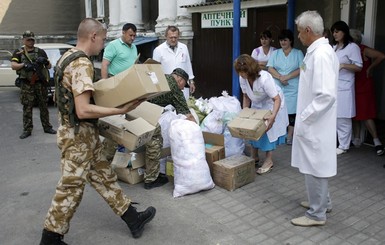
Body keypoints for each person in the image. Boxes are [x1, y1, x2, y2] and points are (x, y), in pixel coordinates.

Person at [39, 18, 155, 245]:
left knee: (105, 177)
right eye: (102, 40)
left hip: (77, 133)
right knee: (70, 188)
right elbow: (83, 110)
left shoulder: (65, 57)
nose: (103, 45)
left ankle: (133, 218)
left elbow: (66, 100)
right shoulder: (81, 63)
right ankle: (50, 238)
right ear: (93, 37)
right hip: (78, 137)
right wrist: (119, 109)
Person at [290, 10, 339, 227]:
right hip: (314, 122)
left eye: (300, 32)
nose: (298, 36)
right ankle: (321, 202)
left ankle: (317, 214)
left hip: (315, 123)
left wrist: (304, 117)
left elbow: (326, 95)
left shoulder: (320, 55)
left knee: (316, 166)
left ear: (308, 31)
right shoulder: (317, 52)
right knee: (314, 165)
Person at [233, 54, 288, 175]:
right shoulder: (242, 78)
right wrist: (245, 113)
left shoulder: (264, 78)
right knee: (252, 127)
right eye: (240, 72)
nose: (241, 75)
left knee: (267, 130)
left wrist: (273, 116)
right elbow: (246, 96)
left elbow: (276, 99)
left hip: (272, 102)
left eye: (244, 72)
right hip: (258, 102)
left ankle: (269, 160)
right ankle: (255, 156)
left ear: (251, 70)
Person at [144, 68, 195, 189]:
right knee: (156, 141)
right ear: (180, 79)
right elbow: (187, 114)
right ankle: (151, 179)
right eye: (184, 84)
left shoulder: (161, 75)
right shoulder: (174, 87)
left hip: (134, 107)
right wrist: (197, 132)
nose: (183, 88)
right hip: (145, 112)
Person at [11, 30, 57, 139]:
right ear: (24, 40)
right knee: (27, 107)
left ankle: (47, 127)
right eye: (28, 40)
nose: (31, 42)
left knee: (43, 106)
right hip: (27, 84)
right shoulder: (19, 52)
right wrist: (24, 65)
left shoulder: (40, 51)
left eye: (32, 39)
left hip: (40, 84)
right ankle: (27, 129)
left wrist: (45, 62)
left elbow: (49, 66)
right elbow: (13, 65)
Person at [350, 29, 385, 156]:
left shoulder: (363, 49)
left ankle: (376, 141)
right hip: (352, 85)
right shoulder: (348, 50)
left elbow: (381, 56)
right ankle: (357, 139)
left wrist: (370, 68)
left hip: (364, 85)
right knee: (354, 113)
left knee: (366, 114)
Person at [331, 21, 363, 155]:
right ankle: (336, 142)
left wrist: (344, 66)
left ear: (344, 32)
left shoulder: (352, 47)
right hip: (333, 85)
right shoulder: (333, 47)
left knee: (343, 117)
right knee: (333, 116)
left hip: (344, 85)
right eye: (333, 31)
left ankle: (344, 145)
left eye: (337, 31)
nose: (335, 34)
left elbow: (359, 66)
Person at [267, 29, 304, 145]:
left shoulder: (298, 53)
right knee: (278, 110)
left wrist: (287, 77)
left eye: (285, 40)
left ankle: (290, 135)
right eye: (281, 40)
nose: (283, 42)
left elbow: (302, 68)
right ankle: (280, 134)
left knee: (292, 112)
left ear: (291, 41)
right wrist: (280, 77)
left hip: (292, 86)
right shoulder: (275, 53)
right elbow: (270, 68)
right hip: (278, 86)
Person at [152, 25, 196, 99]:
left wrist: (191, 81)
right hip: (167, 87)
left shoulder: (184, 47)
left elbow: (188, 65)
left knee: (184, 107)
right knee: (169, 108)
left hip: (182, 86)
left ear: (178, 36)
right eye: (171, 37)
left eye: (175, 37)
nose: (173, 39)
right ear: (166, 36)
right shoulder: (158, 50)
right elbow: (154, 70)